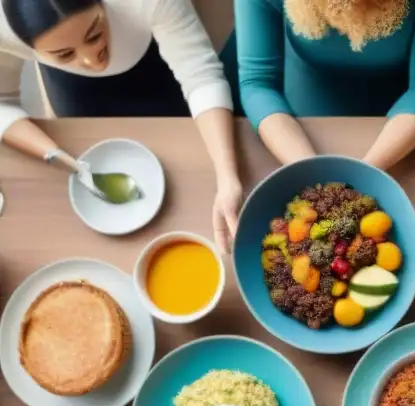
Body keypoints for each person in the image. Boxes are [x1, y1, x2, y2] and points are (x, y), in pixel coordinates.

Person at [0, 0, 244, 254]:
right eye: (64, 54)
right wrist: (55, 153)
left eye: (94, 35)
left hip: (154, 65)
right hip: (75, 91)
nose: (91, 61)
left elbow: (200, 75)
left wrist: (227, 178)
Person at [234, 0, 415, 171]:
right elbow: (258, 82)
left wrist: (366, 171)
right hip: (311, 88)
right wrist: (309, 170)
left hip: (408, 91)